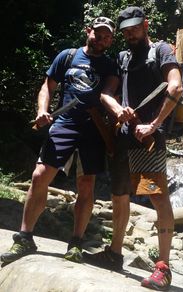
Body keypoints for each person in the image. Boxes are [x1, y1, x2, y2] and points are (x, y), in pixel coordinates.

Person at [0, 16, 117, 264]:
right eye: (99, 34)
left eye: (108, 36)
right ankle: (25, 238)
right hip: (63, 123)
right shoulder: (68, 56)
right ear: (89, 31)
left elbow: (111, 94)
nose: (103, 40)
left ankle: (75, 244)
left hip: (93, 128)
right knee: (39, 176)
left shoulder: (110, 65)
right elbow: (47, 86)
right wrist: (42, 110)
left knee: (86, 185)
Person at [83, 6, 183, 291]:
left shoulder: (161, 51)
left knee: (156, 197)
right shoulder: (123, 58)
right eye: (126, 30)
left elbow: (175, 87)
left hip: (146, 144)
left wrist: (153, 125)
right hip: (122, 140)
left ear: (146, 25)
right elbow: (106, 94)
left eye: (135, 28)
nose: (130, 33)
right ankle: (115, 254)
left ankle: (163, 268)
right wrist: (118, 111)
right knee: (118, 195)